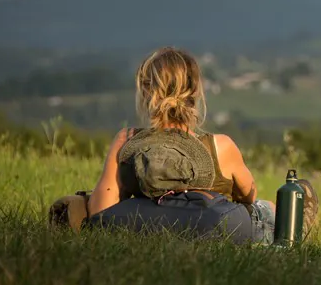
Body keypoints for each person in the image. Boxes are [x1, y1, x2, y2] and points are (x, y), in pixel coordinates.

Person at [86, 46, 277, 244]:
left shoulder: (126, 141)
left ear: (145, 91)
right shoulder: (221, 146)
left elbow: (101, 211)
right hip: (211, 230)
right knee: (269, 208)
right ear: (194, 92)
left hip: (145, 226)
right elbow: (248, 196)